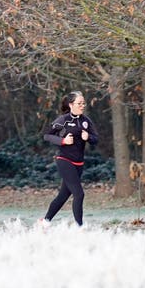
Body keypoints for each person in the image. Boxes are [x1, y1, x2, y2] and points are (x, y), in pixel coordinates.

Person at [40, 91, 98, 226]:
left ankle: (45, 222)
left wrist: (88, 137)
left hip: (79, 163)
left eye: (83, 103)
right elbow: (47, 135)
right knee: (79, 194)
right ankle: (79, 227)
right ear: (71, 105)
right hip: (64, 160)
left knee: (63, 196)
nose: (82, 106)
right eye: (79, 103)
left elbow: (96, 139)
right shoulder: (63, 120)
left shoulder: (86, 121)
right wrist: (63, 141)